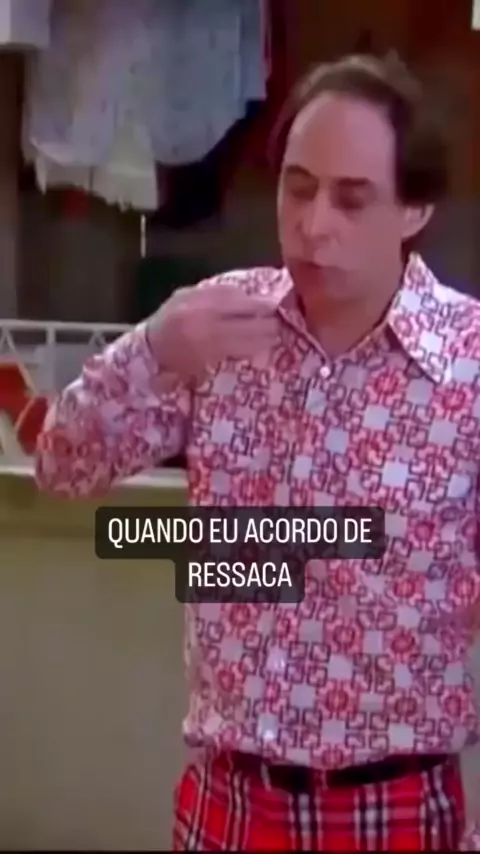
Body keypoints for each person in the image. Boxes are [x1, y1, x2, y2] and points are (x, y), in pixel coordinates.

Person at [35, 53, 480, 851]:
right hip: (227, 804)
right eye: (298, 188)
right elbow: (62, 467)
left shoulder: (468, 366)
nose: (314, 224)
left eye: (352, 198)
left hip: (398, 810)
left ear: (414, 208)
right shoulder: (215, 328)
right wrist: (152, 349)